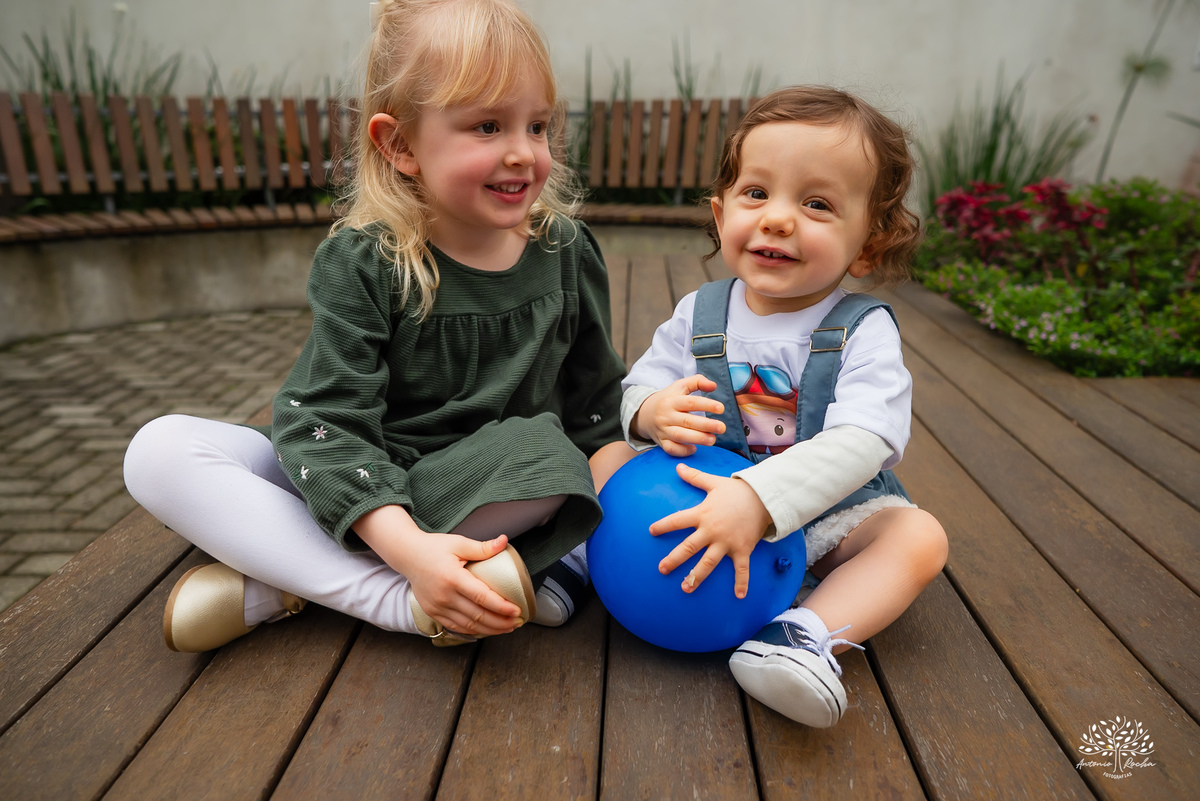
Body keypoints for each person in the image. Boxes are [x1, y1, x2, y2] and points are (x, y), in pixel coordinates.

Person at [124, 0, 633, 653]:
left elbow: (595, 417)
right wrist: (409, 551)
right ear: (400, 145)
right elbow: (326, 424)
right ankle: (398, 599)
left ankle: (284, 579)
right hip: (351, 466)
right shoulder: (367, 261)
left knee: (552, 456)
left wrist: (627, 522)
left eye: (537, 126)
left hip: (483, 485)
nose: (522, 153)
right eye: (487, 126)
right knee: (159, 450)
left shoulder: (565, 251)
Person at [620, 86, 948, 727]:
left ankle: (803, 635)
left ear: (868, 244)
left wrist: (759, 500)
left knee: (918, 538)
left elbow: (867, 437)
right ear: (721, 215)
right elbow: (639, 385)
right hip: (699, 498)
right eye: (756, 193)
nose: (777, 218)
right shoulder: (699, 312)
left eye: (817, 203)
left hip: (829, 517)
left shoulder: (862, 329)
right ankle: (583, 565)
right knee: (606, 456)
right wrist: (651, 410)